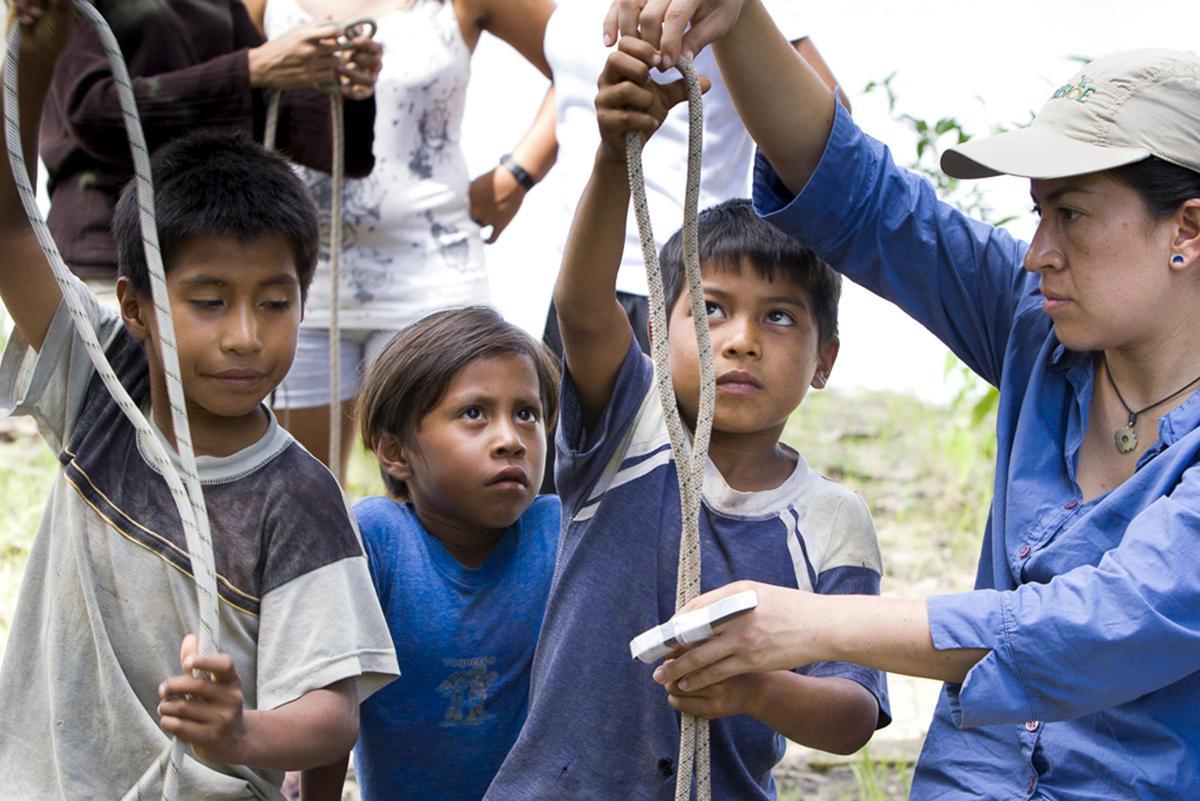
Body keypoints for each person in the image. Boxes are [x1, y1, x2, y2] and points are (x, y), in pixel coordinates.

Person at [613, 2, 1200, 798]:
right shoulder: (1038, 325)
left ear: (1187, 231)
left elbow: (1100, 623)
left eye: (1071, 216)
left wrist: (809, 623)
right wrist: (740, 18)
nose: (1037, 253)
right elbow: (866, 201)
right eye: (1036, 212)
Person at [0, 6, 399, 799]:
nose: (246, 337)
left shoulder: (300, 494)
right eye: (210, 301)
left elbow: (332, 714)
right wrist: (34, 52)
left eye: (274, 303)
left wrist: (241, 732)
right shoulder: (100, 384)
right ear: (136, 305)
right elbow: (9, 218)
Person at [484, 39, 888, 801]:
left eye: (777, 317)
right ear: (652, 333)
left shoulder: (832, 519)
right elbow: (579, 303)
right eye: (708, 309)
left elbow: (854, 711)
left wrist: (760, 689)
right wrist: (612, 157)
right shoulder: (626, 431)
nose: (738, 339)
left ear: (825, 359)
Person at [246, 0, 558, 472]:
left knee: (453, 487)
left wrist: (516, 176)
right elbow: (210, 80)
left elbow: (580, 60)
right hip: (295, 275)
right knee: (297, 483)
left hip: (432, 272)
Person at [295, 306, 560, 800]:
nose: (510, 441)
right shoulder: (377, 541)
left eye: (527, 413)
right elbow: (334, 702)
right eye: (474, 414)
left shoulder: (557, 535)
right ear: (394, 452)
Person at [40, 0, 383, 309]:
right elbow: (94, 114)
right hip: (104, 266)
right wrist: (252, 68)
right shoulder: (68, 6)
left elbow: (322, 143)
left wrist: (345, 87)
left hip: (215, 273)